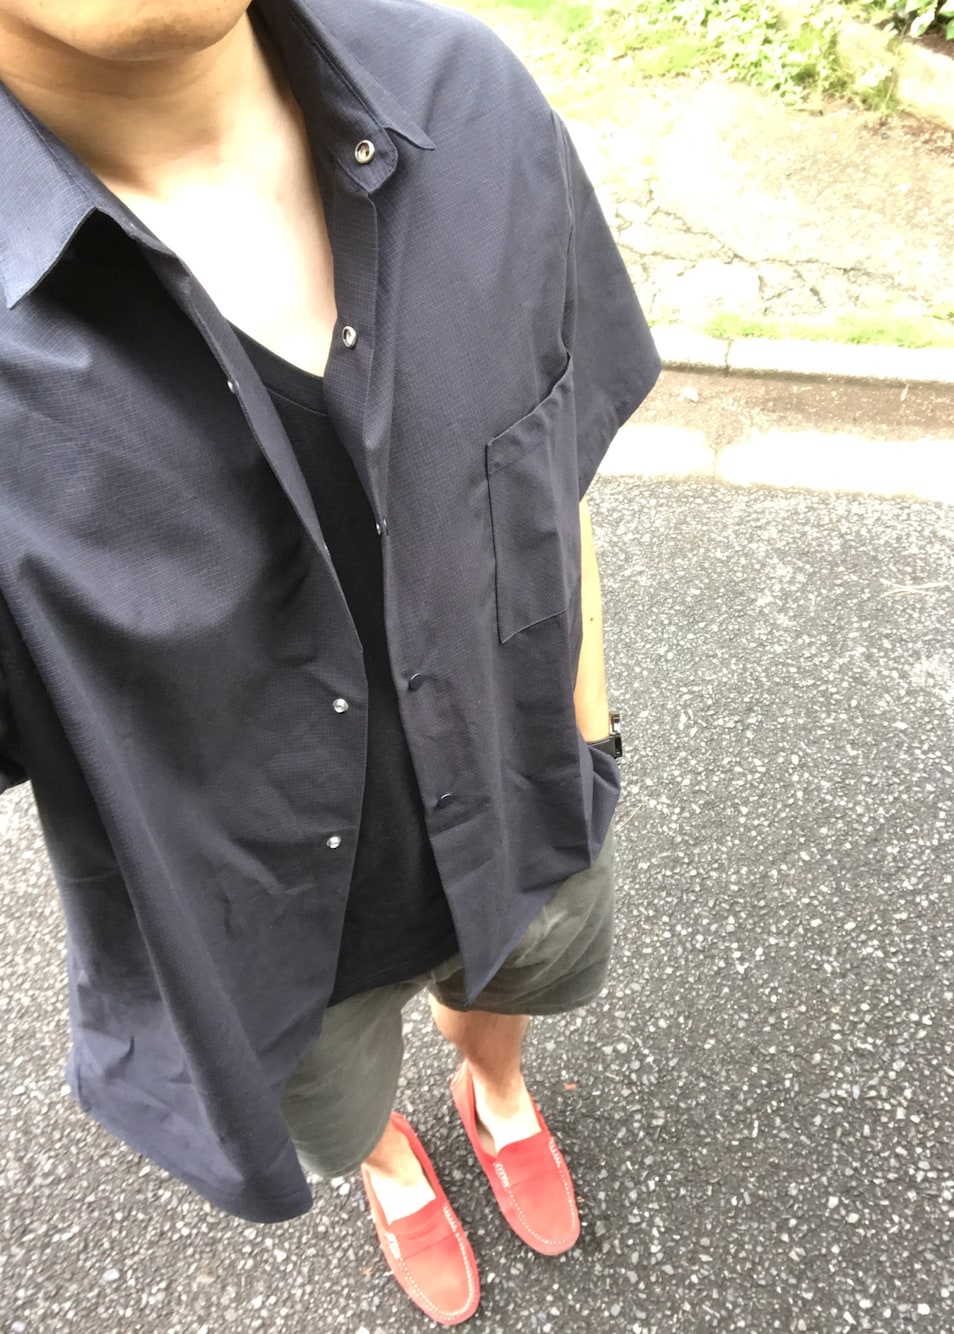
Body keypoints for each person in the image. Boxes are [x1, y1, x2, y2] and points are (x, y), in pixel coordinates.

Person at [0, 0, 659, 1323]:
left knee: (522, 975)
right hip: (275, 936)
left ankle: (495, 1090)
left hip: (529, 787)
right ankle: (388, 1160)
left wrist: (584, 730)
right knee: (339, 1097)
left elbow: (554, 458)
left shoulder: (474, 105)